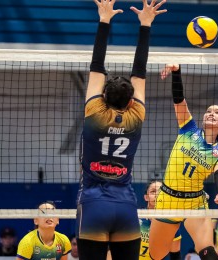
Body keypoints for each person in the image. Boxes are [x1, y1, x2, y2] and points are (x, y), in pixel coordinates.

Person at [76, 0, 166, 260]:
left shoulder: (94, 111)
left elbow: (97, 65)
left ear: (103, 95)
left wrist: (104, 20)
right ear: (130, 101)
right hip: (125, 205)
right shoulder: (136, 114)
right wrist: (146, 24)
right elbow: (140, 71)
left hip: (93, 203)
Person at [149, 63, 218, 260]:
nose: (211, 113)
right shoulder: (188, 128)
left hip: (195, 202)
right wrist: (176, 73)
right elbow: (179, 100)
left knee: (207, 251)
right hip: (167, 200)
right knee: (156, 254)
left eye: (217, 112)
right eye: (209, 110)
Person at [140, 180, 181, 260]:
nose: (157, 195)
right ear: (146, 197)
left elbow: (175, 255)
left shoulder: (170, 222)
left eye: (161, 192)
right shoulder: (136, 218)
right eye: (153, 191)